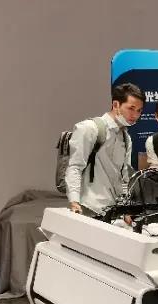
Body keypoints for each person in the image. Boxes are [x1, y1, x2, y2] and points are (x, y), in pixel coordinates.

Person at [64, 83, 143, 216]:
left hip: (113, 210)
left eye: (139, 111)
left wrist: (125, 208)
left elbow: (124, 176)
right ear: (116, 105)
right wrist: (74, 201)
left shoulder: (126, 138)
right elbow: (75, 167)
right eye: (131, 108)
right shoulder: (89, 128)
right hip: (88, 206)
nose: (135, 115)